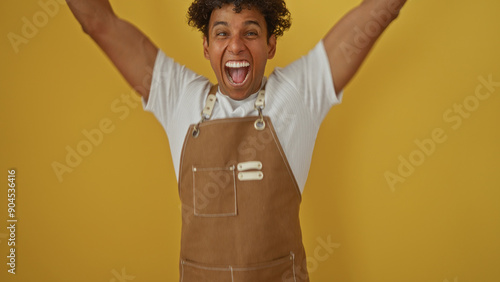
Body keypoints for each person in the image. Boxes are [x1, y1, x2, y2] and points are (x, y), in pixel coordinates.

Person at [66, 0, 407, 281]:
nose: (236, 45)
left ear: (271, 44)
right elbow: (100, 24)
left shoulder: (297, 95)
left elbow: (379, 12)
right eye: (222, 33)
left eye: (251, 32)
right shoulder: (178, 97)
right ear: (206, 46)